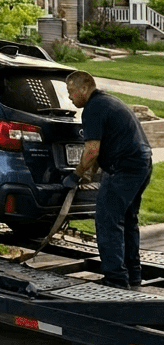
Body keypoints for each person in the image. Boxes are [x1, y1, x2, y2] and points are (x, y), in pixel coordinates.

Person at [65, 70, 152, 290]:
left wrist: (75, 174)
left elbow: (92, 150)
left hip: (123, 170)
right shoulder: (109, 102)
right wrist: (89, 172)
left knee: (107, 222)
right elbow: (102, 148)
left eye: (70, 91)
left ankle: (115, 280)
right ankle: (133, 276)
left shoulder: (93, 109)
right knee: (128, 221)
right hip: (141, 165)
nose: (69, 97)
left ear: (84, 88)